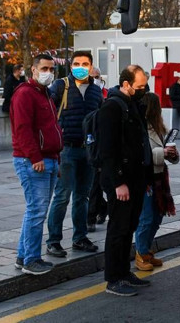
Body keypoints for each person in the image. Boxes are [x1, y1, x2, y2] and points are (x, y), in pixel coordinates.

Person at [98, 65, 153, 296]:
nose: (143, 90)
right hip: (121, 182)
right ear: (126, 84)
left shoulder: (133, 104)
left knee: (129, 226)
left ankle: (124, 272)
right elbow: (107, 150)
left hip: (136, 178)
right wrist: (118, 182)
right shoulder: (112, 107)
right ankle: (113, 278)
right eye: (139, 86)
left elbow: (140, 142)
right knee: (118, 229)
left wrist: (146, 177)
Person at [45, 51, 103, 258]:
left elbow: (100, 120)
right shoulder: (61, 86)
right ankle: (53, 241)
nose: (81, 66)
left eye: (85, 63)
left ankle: (80, 237)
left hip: (87, 151)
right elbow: (47, 113)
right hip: (66, 150)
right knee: (62, 196)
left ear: (91, 66)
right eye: (77, 63)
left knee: (82, 196)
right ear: (70, 66)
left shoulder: (96, 91)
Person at [10, 54, 63, 275]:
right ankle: (31, 259)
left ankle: (23, 256)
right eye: (44, 68)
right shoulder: (25, 94)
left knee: (36, 210)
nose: (48, 73)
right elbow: (22, 130)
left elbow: (51, 127)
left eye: (51, 69)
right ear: (33, 70)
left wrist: (55, 159)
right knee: (36, 211)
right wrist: (35, 158)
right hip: (33, 161)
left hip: (49, 159)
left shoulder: (45, 95)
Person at [134, 92, 178, 271]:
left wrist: (173, 155)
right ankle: (141, 253)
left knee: (158, 216)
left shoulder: (159, 127)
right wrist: (163, 153)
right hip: (145, 177)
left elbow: (168, 154)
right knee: (146, 217)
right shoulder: (139, 127)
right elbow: (139, 154)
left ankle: (146, 250)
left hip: (159, 176)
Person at [87, 67, 108, 231]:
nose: (95, 79)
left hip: (99, 145)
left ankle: (91, 218)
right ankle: (102, 207)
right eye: (92, 77)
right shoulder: (84, 94)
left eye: (97, 76)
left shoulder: (106, 94)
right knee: (88, 186)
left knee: (95, 185)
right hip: (85, 143)